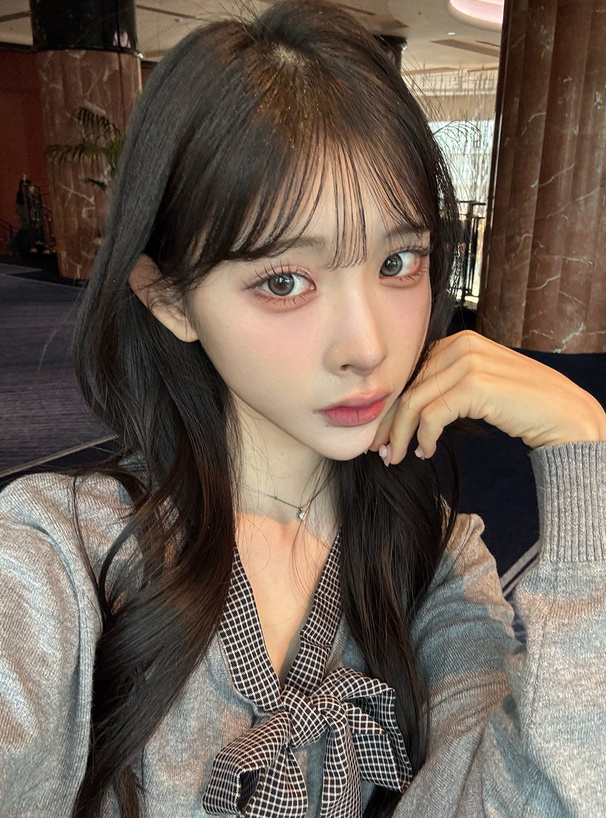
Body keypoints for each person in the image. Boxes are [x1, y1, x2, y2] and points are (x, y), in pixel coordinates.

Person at [0, 1, 604, 815]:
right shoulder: (63, 556)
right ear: (170, 299)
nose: (367, 346)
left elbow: (539, 799)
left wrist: (584, 446)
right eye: (284, 280)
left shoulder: (432, 556)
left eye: (398, 261)